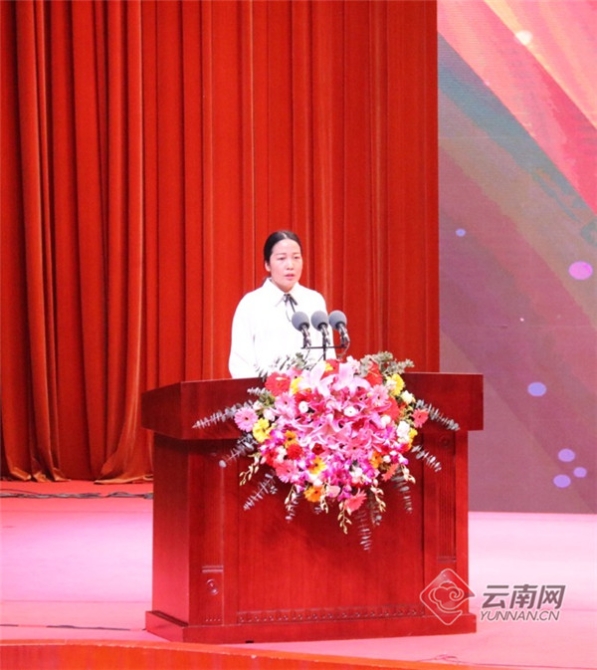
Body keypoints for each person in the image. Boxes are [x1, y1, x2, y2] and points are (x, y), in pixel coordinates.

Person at [229, 230, 333, 378]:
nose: (290, 265)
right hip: (264, 391)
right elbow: (240, 363)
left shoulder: (314, 300)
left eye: (296, 257)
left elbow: (327, 355)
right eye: (281, 258)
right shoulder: (251, 304)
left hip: (308, 391)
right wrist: (265, 391)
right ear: (267, 264)